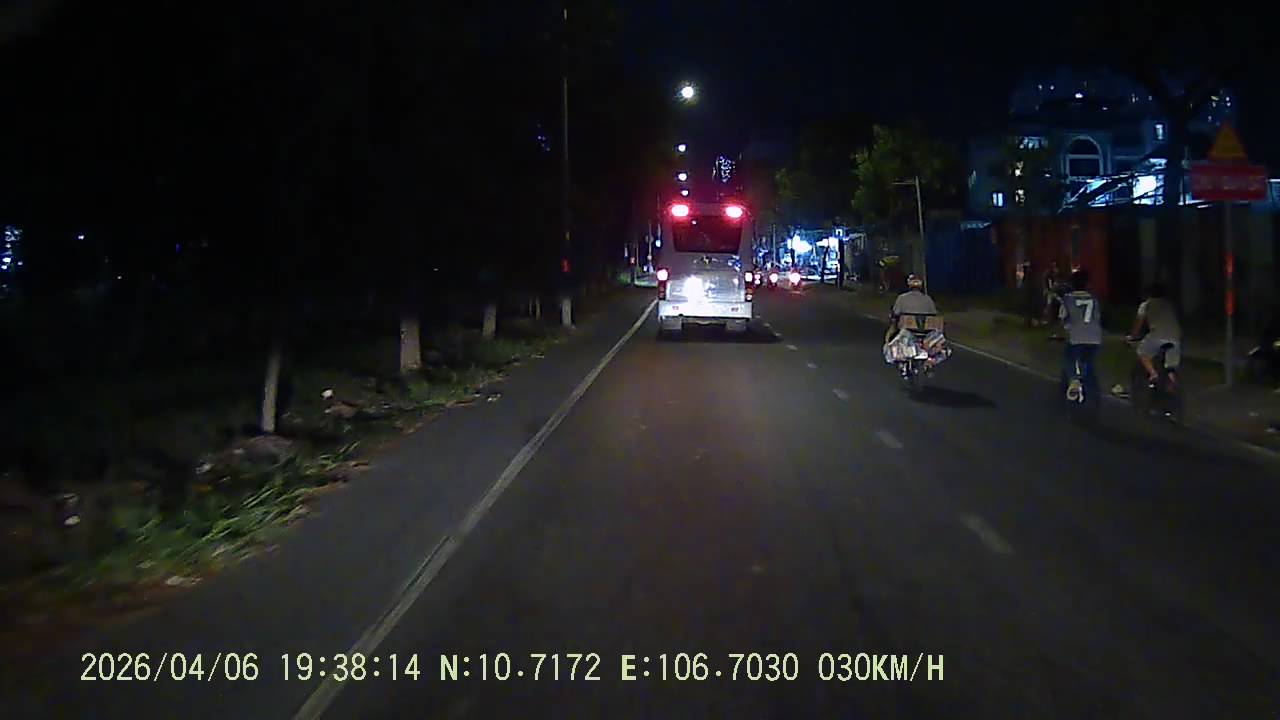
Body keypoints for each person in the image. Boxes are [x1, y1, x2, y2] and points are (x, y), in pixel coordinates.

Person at [1058, 268, 1101, 401]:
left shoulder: (1067, 299)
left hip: (1076, 336)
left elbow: (1063, 317)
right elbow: (1098, 316)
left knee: (1069, 358)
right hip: (1095, 337)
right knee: (1089, 362)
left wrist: (1063, 329)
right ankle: (1092, 388)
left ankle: (1074, 381)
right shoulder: (1094, 299)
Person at [1127, 282, 1182, 386]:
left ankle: (1153, 374)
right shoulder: (1169, 305)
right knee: (1171, 367)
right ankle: (1172, 384)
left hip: (1158, 335)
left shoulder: (1146, 305)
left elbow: (1138, 323)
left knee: (1142, 352)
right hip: (1175, 337)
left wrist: (1132, 336)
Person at [886, 273, 938, 342]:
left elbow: (895, 313)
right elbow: (934, 313)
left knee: (890, 332)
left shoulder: (901, 298)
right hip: (925, 332)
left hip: (906, 330)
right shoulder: (928, 299)